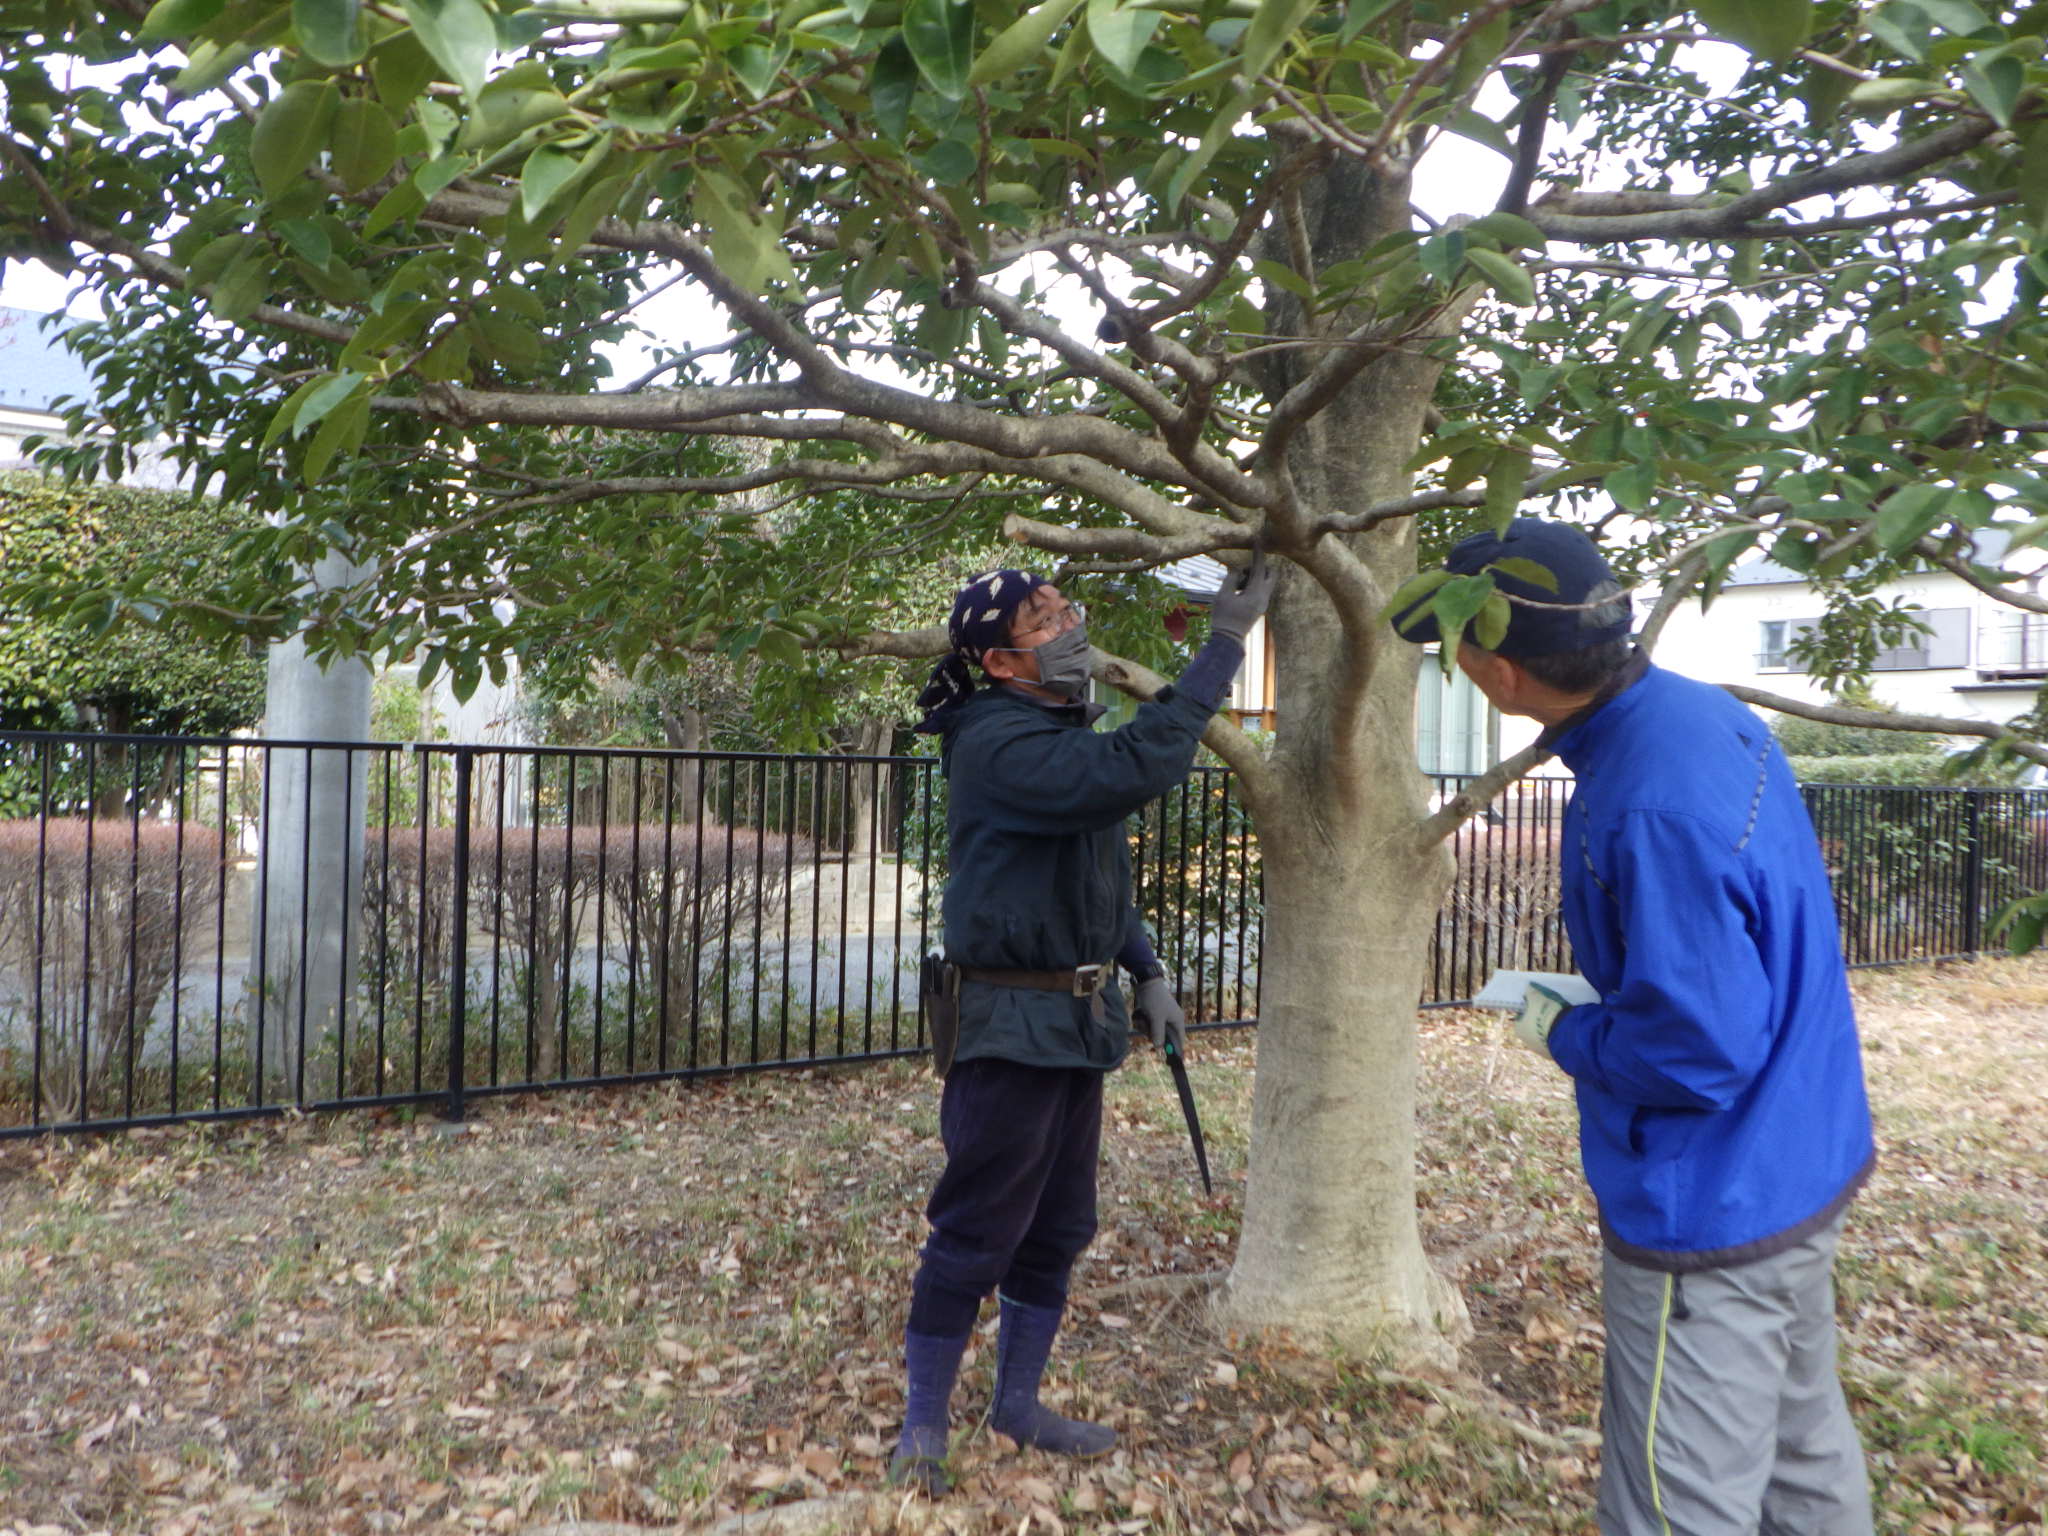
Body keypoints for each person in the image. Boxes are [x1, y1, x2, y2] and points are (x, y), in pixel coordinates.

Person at [1396, 518, 1876, 1536]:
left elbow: (1697, 1052)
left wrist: (1560, 1030)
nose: (1453, 665)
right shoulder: (1698, 716)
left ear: (1499, 673)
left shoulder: (1641, 803)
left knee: (1674, 1499)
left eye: (1453, 647)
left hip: (1711, 1199)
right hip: (1802, 1151)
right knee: (1802, 1460)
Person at [891, 555, 1275, 1494]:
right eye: (1044, 622)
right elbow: (1137, 766)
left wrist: (1147, 972)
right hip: (1008, 1022)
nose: (1070, 629)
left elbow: (1095, 879)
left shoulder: (1058, 726)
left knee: (1059, 1224)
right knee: (977, 1227)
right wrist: (1225, 643)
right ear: (998, 662)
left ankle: (1016, 1407)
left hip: (1076, 1021)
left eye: (1067, 609)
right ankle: (922, 1428)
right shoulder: (998, 741)